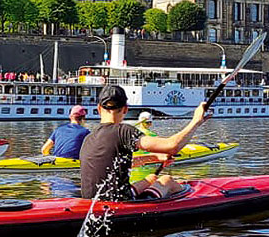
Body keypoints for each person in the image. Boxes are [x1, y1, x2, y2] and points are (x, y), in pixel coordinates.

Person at [79, 85, 209, 201]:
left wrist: (155, 157)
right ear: (125, 109)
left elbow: (115, 164)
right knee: (167, 180)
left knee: (151, 179)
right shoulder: (124, 131)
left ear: (99, 109)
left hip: (93, 202)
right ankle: (189, 200)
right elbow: (172, 146)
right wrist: (196, 121)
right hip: (121, 203)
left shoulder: (88, 138)